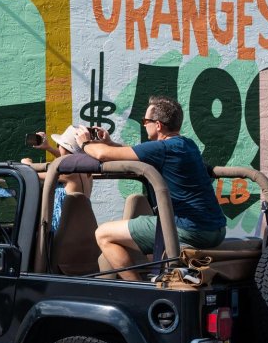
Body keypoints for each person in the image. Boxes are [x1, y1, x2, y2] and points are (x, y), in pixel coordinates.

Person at [75, 97, 226, 280]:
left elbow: (101, 154)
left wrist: (85, 143)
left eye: (145, 121)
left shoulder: (162, 149)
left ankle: (137, 288)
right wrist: (111, 144)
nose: (144, 125)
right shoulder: (187, 144)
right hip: (216, 230)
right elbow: (134, 153)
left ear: (158, 125)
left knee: (103, 234)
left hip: (191, 230)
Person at [21, 126, 93, 234]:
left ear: (64, 148)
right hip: (77, 227)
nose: (58, 147)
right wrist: (48, 147)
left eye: (58, 145)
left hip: (62, 231)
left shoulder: (68, 173)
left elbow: (33, 174)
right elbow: (68, 159)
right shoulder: (85, 170)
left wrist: (26, 164)